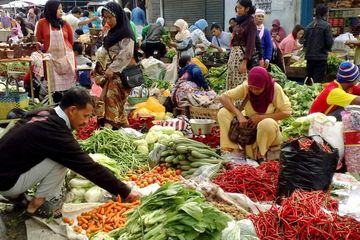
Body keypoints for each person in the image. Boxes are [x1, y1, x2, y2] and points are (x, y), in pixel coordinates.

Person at [0, 87, 139, 218]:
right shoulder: (55, 132)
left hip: (5, 173)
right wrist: (125, 191)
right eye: (85, 116)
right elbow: (89, 167)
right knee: (61, 161)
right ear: (72, 110)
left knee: (48, 156)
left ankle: (18, 198)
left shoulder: (43, 113)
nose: (86, 122)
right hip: (7, 182)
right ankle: (35, 206)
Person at [218, 67, 292, 161]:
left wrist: (261, 117)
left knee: (267, 123)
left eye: (258, 89)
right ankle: (232, 150)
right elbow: (223, 97)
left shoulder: (275, 89)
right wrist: (239, 115)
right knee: (223, 112)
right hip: (248, 131)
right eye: (251, 88)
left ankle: (261, 155)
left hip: (269, 134)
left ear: (265, 85)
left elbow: (287, 112)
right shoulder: (247, 86)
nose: (254, 91)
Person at [94, 2, 135, 129]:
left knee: (111, 100)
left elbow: (126, 54)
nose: (107, 20)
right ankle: (123, 128)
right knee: (115, 104)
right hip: (110, 74)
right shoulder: (111, 32)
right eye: (105, 17)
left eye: (110, 17)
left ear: (118, 16)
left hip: (120, 76)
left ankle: (108, 129)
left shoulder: (126, 34)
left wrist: (112, 68)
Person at [36, 0, 76, 94]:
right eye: (58, 9)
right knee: (53, 91)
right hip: (50, 61)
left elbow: (71, 41)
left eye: (61, 8)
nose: (61, 11)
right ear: (51, 10)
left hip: (67, 60)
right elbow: (37, 41)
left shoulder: (65, 24)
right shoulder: (42, 23)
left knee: (69, 90)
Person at [226, 0, 257, 90]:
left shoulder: (251, 22)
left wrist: (245, 61)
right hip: (233, 56)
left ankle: (240, 104)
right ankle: (230, 102)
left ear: (247, 9)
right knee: (231, 81)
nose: (237, 10)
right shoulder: (239, 21)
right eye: (237, 8)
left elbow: (251, 44)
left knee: (240, 83)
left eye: (240, 8)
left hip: (241, 57)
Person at [304, 4, 334, 83]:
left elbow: (304, 42)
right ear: (325, 13)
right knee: (317, 82)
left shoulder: (308, 26)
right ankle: (316, 96)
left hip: (309, 57)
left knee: (309, 80)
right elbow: (329, 43)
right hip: (320, 58)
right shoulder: (326, 26)